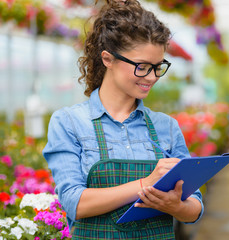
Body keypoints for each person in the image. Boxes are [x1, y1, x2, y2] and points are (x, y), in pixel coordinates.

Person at [43, 0, 203, 238]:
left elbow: (196, 206)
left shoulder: (166, 127)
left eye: (158, 67)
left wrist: (177, 207)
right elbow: (75, 203)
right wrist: (146, 184)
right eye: (142, 67)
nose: (151, 77)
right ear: (108, 59)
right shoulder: (69, 122)